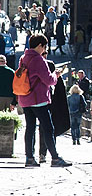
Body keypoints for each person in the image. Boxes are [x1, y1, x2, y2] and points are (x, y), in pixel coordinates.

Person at [17, 33, 71, 167]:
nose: (45, 50)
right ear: (40, 45)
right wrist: (56, 75)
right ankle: (55, 158)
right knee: (48, 128)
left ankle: (29, 158)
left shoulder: (24, 58)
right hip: (38, 99)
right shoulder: (39, 60)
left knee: (30, 128)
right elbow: (48, 80)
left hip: (25, 98)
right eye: (44, 46)